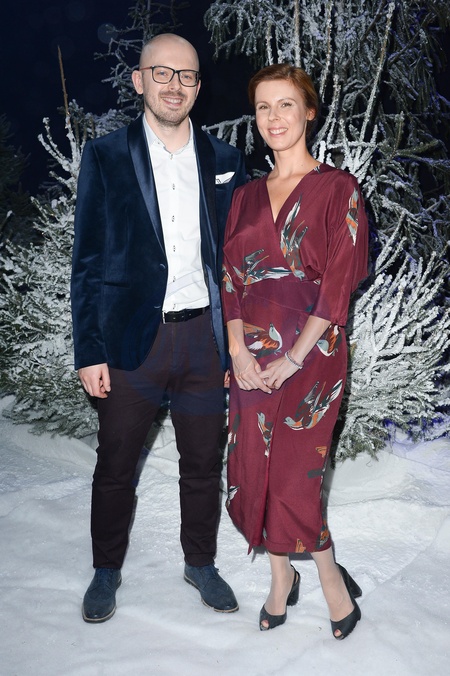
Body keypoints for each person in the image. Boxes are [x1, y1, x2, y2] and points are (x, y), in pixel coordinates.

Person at [71, 33, 246, 623]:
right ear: (139, 80)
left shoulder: (224, 159)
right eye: (162, 73)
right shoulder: (106, 156)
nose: (175, 85)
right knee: (115, 465)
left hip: (203, 342)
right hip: (129, 344)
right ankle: (105, 569)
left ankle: (200, 562)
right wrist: (89, 349)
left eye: (187, 75)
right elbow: (87, 260)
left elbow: (236, 260)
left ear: (198, 86)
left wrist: (238, 344)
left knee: (202, 464)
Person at [221, 64, 368, 639]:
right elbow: (230, 280)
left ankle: (331, 579)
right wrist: (238, 352)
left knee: (293, 479)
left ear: (309, 112)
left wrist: (294, 358)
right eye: (263, 107)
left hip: (312, 355)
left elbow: (338, 285)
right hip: (251, 357)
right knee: (254, 469)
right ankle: (281, 578)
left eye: (286, 105)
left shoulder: (337, 188)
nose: (273, 117)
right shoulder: (244, 196)